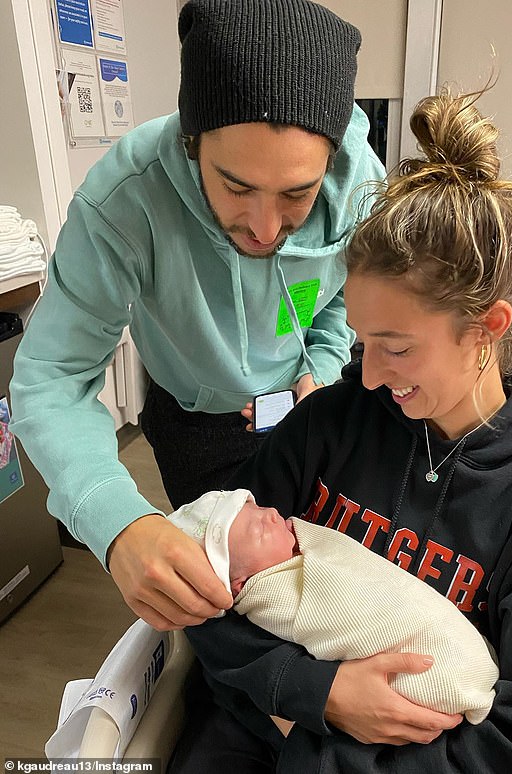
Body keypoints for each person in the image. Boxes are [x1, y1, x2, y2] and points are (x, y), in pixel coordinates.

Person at [183, 88, 512, 773]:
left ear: (486, 328)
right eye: (363, 342)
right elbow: (204, 585)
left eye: (398, 347)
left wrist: (319, 755)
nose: (371, 375)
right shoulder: (327, 426)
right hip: (254, 735)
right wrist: (318, 694)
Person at [8, 0, 385, 630]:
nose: (266, 229)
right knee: (232, 615)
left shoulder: (359, 184)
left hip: (306, 403)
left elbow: (351, 292)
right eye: (236, 187)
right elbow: (52, 377)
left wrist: (321, 362)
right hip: (195, 423)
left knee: (331, 583)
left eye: (297, 195)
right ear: (193, 142)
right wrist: (118, 521)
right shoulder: (125, 200)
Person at [167, 488, 499, 724]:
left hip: (460, 659)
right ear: (238, 584)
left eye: (257, 507)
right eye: (257, 529)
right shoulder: (271, 596)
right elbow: (337, 620)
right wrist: (321, 689)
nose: (270, 514)